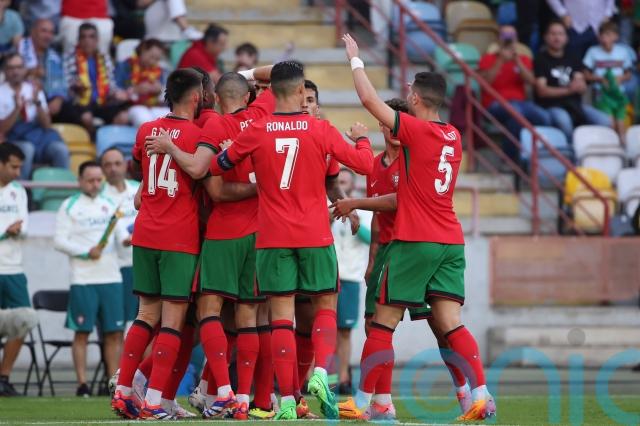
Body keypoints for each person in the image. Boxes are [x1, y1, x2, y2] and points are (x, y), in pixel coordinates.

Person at [337, 34, 495, 421]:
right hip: (450, 240)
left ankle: (364, 402)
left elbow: (369, 100)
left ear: (416, 98)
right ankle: (480, 394)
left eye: (410, 94)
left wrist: (355, 59)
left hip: (416, 238)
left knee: (382, 321)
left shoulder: (417, 131)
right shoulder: (453, 136)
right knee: (450, 323)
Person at [208, 60, 374, 420]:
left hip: (272, 236)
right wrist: (362, 138)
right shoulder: (321, 129)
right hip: (314, 233)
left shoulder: (257, 129)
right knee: (325, 305)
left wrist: (228, 150)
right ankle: (320, 372)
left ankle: (285, 401)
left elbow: (218, 165)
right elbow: (365, 164)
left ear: (271, 92)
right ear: (301, 91)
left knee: (281, 317)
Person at [111, 68, 204, 420]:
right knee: (172, 322)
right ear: (196, 96)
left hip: (146, 231)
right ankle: (153, 401)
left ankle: (123, 392)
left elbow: (141, 170)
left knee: (145, 314)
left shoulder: (146, 129)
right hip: (178, 236)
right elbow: (199, 171)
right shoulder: (196, 134)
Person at [54, 161, 126, 398]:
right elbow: (59, 241)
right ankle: (82, 384)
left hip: (111, 277)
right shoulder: (69, 205)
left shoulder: (109, 204)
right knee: (82, 332)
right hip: (83, 278)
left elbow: (120, 235)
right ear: (80, 181)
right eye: (90, 180)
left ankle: (114, 383)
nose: (95, 184)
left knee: (114, 333)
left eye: (98, 180)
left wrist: (129, 240)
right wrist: (86, 252)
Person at [478, 25, 551, 162]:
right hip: (494, 104)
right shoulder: (487, 58)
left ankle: (520, 159)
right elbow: (485, 83)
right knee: (516, 113)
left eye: (511, 36)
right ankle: (512, 159)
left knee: (543, 116)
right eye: (505, 36)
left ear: (516, 39)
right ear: (498, 39)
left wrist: (517, 61)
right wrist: (500, 60)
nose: (508, 39)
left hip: (520, 105)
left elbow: (531, 81)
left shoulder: (523, 59)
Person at [534, 19, 611, 141]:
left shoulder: (573, 56)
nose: (557, 38)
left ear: (566, 38)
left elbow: (582, 86)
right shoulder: (540, 59)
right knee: (563, 121)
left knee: (605, 121)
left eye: (560, 34)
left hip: (575, 105)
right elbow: (542, 91)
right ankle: (571, 150)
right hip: (551, 106)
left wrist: (580, 85)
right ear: (546, 37)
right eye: (553, 34)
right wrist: (569, 90)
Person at [331, 168, 372, 395]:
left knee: (344, 330)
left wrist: (351, 213)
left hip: (350, 277)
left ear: (353, 186)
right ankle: (309, 378)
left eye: (345, 182)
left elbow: (370, 238)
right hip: (327, 274)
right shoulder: (326, 206)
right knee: (318, 327)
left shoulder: (364, 210)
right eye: (338, 182)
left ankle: (344, 378)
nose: (341, 185)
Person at [0, 53, 69, 179]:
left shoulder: (34, 89)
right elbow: (2, 129)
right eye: (11, 68)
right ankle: (21, 189)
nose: (15, 72)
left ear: (25, 69)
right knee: (27, 149)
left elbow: (47, 125)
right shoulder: (1, 92)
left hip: (39, 138)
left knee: (60, 150)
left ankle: (62, 189)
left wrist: (37, 103)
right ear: (5, 70)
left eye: (19, 67)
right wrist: (17, 109)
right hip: (14, 139)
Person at [0, 143, 31, 397]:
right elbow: (10, 228)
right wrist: (5, 231)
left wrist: (15, 230)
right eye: (13, 167)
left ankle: (4, 376)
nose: (18, 172)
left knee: (24, 321)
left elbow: (24, 227)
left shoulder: (18, 192)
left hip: (13, 268)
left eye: (20, 167)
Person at [60, 23, 130, 132]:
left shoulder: (104, 58)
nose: (87, 40)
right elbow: (65, 84)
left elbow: (110, 84)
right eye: (83, 37)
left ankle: (108, 138)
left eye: (91, 37)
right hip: (79, 102)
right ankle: (92, 139)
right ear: (78, 40)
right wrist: (75, 86)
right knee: (86, 117)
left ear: (97, 40)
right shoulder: (69, 57)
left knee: (124, 116)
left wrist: (117, 93)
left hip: (102, 102)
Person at [100, 148, 139, 324]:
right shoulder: (100, 196)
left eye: (117, 163)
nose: (113, 169)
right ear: (102, 169)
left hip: (144, 263)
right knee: (122, 322)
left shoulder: (138, 188)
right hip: (117, 267)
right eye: (108, 165)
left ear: (125, 165)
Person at [583, 21, 636, 141]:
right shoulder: (592, 51)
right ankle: (610, 147)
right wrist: (601, 79)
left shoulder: (623, 51)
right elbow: (585, 75)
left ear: (616, 36)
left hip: (619, 94)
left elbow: (628, 74)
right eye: (602, 34)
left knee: (621, 125)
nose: (604, 38)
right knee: (610, 124)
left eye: (608, 34)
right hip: (601, 94)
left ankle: (623, 150)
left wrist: (620, 78)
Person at [18, 19, 67, 119]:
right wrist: (29, 72)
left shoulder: (55, 57)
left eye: (51, 32)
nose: (48, 36)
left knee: (70, 110)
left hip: (49, 99)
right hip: (22, 99)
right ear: (33, 32)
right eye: (44, 31)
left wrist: (59, 99)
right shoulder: (19, 49)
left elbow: (62, 82)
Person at [116, 39, 169, 127]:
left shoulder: (161, 71)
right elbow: (116, 91)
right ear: (143, 50)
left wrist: (159, 91)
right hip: (132, 107)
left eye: (157, 59)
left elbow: (168, 97)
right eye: (151, 57)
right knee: (144, 119)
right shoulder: (125, 66)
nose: (153, 62)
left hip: (156, 107)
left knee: (171, 118)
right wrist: (136, 90)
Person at [546, 0, 615, 58]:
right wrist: (562, 13)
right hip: (574, 25)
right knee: (574, 62)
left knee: (598, 61)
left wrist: (608, 14)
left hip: (599, 25)